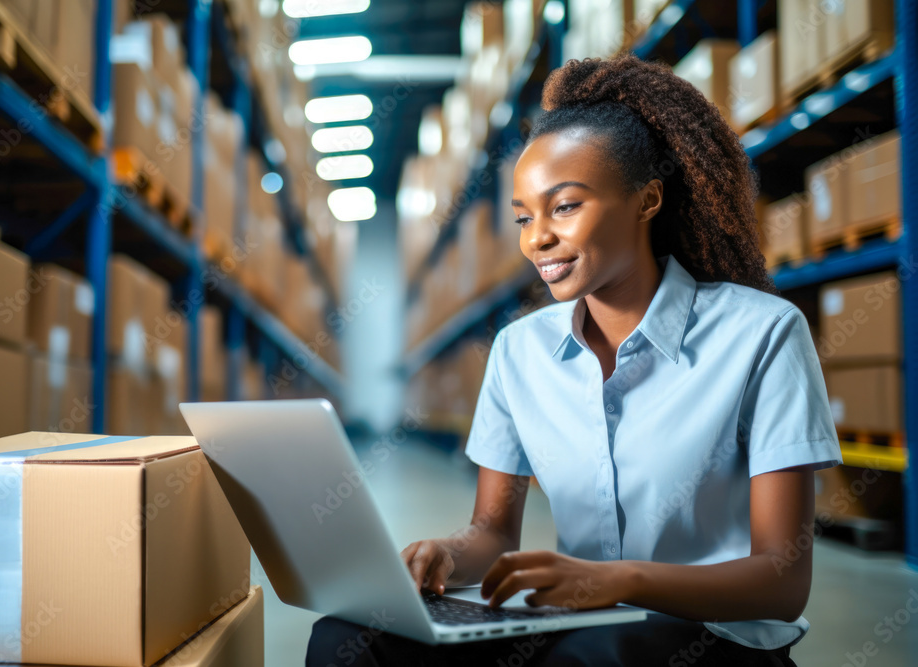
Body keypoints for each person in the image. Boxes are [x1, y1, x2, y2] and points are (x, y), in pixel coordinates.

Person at [306, 54, 842, 666]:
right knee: (346, 640)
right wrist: (449, 553)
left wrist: (622, 581)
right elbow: (492, 533)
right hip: (586, 623)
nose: (536, 238)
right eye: (523, 218)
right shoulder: (520, 350)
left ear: (647, 201)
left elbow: (782, 580)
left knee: (592, 656)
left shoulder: (762, 333)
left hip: (718, 639)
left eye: (564, 207)